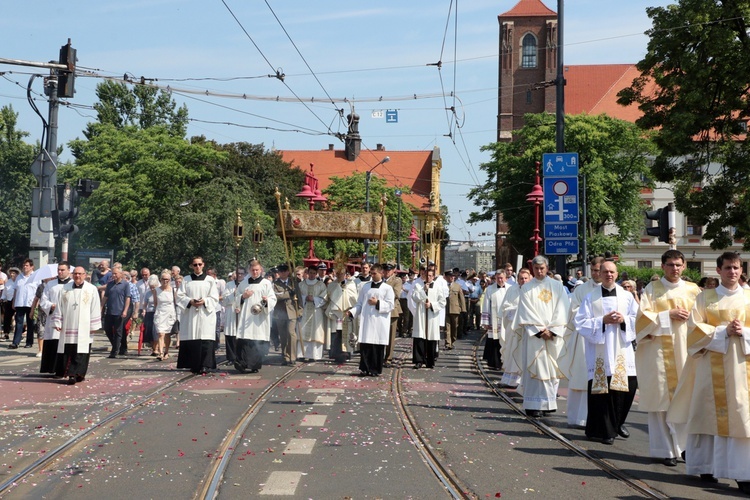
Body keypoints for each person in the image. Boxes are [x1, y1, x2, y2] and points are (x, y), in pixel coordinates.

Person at [667, 251, 750, 493]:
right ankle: (706, 466)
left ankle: (743, 473)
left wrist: (743, 332)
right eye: (727, 268)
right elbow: (693, 331)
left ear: (741, 270)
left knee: (742, 417)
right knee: (706, 414)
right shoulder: (705, 298)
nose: (732, 272)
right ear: (718, 270)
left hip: (741, 370)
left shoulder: (748, 298)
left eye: (736, 268)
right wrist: (724, 332)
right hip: (709, 368)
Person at [635, 250, 700, 466]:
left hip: (686, 352)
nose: (675, 269)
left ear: (684, 266)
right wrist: (667, 315)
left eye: (679, 265)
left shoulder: (693, 290)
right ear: (662, 266)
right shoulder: (653, 290)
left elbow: (704, 318)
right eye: (671, 265)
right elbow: (641, 321)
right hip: (658, 353)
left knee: (686, 401)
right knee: (660, 401)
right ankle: (665, 450)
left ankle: (685, 448)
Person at [575, 260, 638, 445]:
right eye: (605, 272)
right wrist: (602, 320)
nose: (609, 275)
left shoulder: (626, 297)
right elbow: (580, 322)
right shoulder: (590, 297)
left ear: (617, 274)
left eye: (612, 272)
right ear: (599, 274)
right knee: (603, 392)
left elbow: (638, 318)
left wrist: (624, 319)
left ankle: (618, 423)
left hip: (622, 349)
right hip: (599, 350)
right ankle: (605, 431)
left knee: (629, 386)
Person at [512, 255, 570, 418]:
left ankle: (548, 404)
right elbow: (526, 310)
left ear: (547, 268)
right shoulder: (527, 288)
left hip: (553, 335)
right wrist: (539, 330)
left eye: (542, 268)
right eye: (536, 269)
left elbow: (563, 308)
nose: (539, 271)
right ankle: (532, 404)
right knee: (535, 368)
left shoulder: (557, 286)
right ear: (533, 269)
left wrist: (552, 330)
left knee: (551, 369)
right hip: (534, 337)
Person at [559, 256, 604, 428]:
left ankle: (599, 418)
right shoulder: (581, 289)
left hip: (604, 340)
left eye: (598, 270)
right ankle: (578, 417)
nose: (595, 273)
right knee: (581, 376)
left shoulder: (612, 290)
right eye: (593, 270)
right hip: (583, 340)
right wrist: (593, 318)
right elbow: (574, 311)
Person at [50, 266, 102, 385]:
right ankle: (71, 374)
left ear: (85, 275)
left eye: (80, 274)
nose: (77, 276)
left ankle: (80, 374)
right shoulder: (65, 288)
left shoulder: (91, 289)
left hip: (85, 326)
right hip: (69, 325)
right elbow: (59, 306)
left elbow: (95, 307)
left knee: (82, 351)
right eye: (75, 274)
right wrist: (58, 321)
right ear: (73, 275)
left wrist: (94, 325)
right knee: (70, 350)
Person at [349, 263, 394, 376]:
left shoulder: (387, 288)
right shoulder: (365, 287)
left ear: (381, 273)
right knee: (366, 345)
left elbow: (390, 305)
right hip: (367, 320)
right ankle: (365, 368)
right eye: (371, 273)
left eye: (374, 273)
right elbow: (359, 303)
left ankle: (375, 369)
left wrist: (377, 303)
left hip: (379, 321)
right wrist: (352, 312)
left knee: (377, 347)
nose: (372, 275)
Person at [176, 256, 219, 375]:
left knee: (205, 338)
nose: (197, 267)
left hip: (205, 314)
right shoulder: (186, 279)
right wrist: (190, 301)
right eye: (195, 265)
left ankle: (206, 365)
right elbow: (180, 296)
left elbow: (214, 297)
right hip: (191, 314)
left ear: (203, 265)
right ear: (192, 266)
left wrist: (204, 301)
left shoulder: (210, 280)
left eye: (199, 264)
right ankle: (193, 365)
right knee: (192, 338)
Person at [234, 259, 277, 373]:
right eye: (253, 270)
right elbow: (236, 297)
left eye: (257, 270)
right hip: (246, 316)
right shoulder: (244, 283)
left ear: (261, 270)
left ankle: (254, 365)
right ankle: (242, 363)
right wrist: (243, 296)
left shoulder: (266, 283)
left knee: (257, 340)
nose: (255, 272)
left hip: (260, 317)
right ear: (249, 270)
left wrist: (266, 300)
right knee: (245, 339)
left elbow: (273, 299)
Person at [498, 268, 531, 388]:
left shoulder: (534, 290)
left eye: (526, 278)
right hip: (514, 328)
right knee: (514, 352)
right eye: (521, 278)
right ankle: (511, 380)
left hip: (530, 330)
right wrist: (517, 310)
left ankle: (525, 381)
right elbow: (505, 308)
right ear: (518, 280)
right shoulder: (512, 290)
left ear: (530, 278)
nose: (523, 280)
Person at [38, 261, 72, 375]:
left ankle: (64, 369)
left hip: (68, 319)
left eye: (62, 270)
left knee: (65, 343)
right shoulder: (50, 284)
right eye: (59, 270)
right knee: (53, 341)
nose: (60, 272)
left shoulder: (73, 284)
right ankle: (51, 368)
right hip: (53, 317)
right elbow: (43, 300)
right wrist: (50, 306)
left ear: (68, 270)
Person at [409, 268, 446, 369]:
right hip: (421, 315)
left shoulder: (438, 287)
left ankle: (430, 360)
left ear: (433, 277)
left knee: (431, 337)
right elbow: (414, 297)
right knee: (420, 336)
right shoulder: (418, 285)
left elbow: (442, 302)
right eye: (426, 276)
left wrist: (431, 305)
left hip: (432, 316)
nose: (428, 278)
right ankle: (419, 360)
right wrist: (423, 290)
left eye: (430, 276)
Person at [325, 267, 357, 363]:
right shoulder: (332, 285)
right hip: (335, 313)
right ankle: (337, 353)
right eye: (337, 273)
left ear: (345, 274)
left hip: (346, 312)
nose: (339, 275)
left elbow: (354, 297)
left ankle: (347, 353)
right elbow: (328, 297)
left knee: (347, 333)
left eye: (341, 273)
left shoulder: (350, 284)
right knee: (337, 334)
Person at [273, 264, 301, 366]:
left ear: (288, 272)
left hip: (292, 311)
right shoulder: (275, 284)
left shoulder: (293, 282)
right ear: (278, 273)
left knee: (291, 334)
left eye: (285, 270)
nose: (283, 273)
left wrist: (300, 311)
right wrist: (288, 294)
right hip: (280, 312)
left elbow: (299, 297)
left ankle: (292, 356)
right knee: (283, 336)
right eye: (281, 271)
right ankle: (285, 356)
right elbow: (276, 297)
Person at [298, 266, 327, 361]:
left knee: (315, 332)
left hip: (316, 311)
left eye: (314, 273)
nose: (312, 275)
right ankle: (301, 354)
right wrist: (304, 298)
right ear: (307, 273)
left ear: (316, 274)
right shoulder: (301, 284)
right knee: (302, 331)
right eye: (310, 273)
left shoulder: (321, 285)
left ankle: (314, 355)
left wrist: (314, 299)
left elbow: (325, 298)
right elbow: (297, 297)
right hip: (304, 310)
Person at [101, 268, 131, 358]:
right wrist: (101, 307)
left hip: (119, 311)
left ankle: (114, 351)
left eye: (115, 274)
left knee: (118, 331)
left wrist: (125, 310)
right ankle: (116, 345)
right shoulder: (110, 284)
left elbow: (127, 298)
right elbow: (105, 297)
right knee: (107, 330)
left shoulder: (125, 284)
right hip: (110, 311)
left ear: (121, 274)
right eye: (112, 274)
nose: (114, 275)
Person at [481, 270, 507, 370]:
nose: (500, 280)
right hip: (494, 320)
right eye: (498, 278)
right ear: (495, 278)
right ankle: (495, 363)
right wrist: (486, 322)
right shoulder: (490, 289)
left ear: (505, 278)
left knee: (505, 341)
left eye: (502, 278)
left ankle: (505, 362)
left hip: (506, 320)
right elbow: (486, 305)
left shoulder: (510, 289)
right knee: (495, 341)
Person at [10, 259, 38, 349]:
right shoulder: (19, 277)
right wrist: (13, 302)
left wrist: (37, 304)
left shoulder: (36, 277)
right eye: (24, 265)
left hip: (31, 304)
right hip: (20, 303)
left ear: (31, 267)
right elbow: (15, 289)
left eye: (27, 265)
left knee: (30, 323)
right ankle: (15, 342)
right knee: (19, 323)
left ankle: (29, 342)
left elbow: (38, 292)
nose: (25, 267)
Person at [152, 270, 176, 361]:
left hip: (170, 312)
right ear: (160, 279)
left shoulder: (173, 290)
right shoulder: (156, 290)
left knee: (167, 334)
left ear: (170, 280)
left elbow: (176, 302)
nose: (165, 281)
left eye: (167, 279)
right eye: (163, 279)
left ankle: (166, 351)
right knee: (160, 333)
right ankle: (161, 352)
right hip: (160, 312)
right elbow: (155, 303)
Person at [221, 268, 244, 363]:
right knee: (230, 335)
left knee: (241, 336)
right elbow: (224, 300)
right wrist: (233, 295)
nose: (240, 275)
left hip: (242, 311)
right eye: (238, 273)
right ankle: (231, 357)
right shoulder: (229, 284)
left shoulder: (247, 284)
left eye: (242, 273)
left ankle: (241, 357)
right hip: (231, 311)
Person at [384, 263, 403, 368]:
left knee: (391, 336)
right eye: (385, 270)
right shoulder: (381, 280)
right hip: (380, 310)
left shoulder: (396, 280)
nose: (387, 272)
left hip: (392, 310)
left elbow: (396, 294)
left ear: (392, 271)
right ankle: (381, 355)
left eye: (389, 270)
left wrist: (383, 290)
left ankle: (388, 358)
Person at [445, 271, 466, 350]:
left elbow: (461, 298)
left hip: (455, 309)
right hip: (446, 309)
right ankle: (448, 343)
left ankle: (453, 340)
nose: (452, 278)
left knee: (454, 327)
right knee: (447, 328)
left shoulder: (457, 286)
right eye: (450, 276)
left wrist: (463, 309)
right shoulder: (443, 285)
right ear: (447, 277)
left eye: (453, 276)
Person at [2, 267, 19, 340]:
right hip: (9, 301)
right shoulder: (8, 282)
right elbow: (5, 292)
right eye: (11, 273)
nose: (12, 274)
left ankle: (19, 333)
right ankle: (6, 333)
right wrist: (2, 298)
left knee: (18, 318)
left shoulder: (19, 281)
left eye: (14, 273)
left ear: (17, 274)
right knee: (7, 317)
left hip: (18, 301)